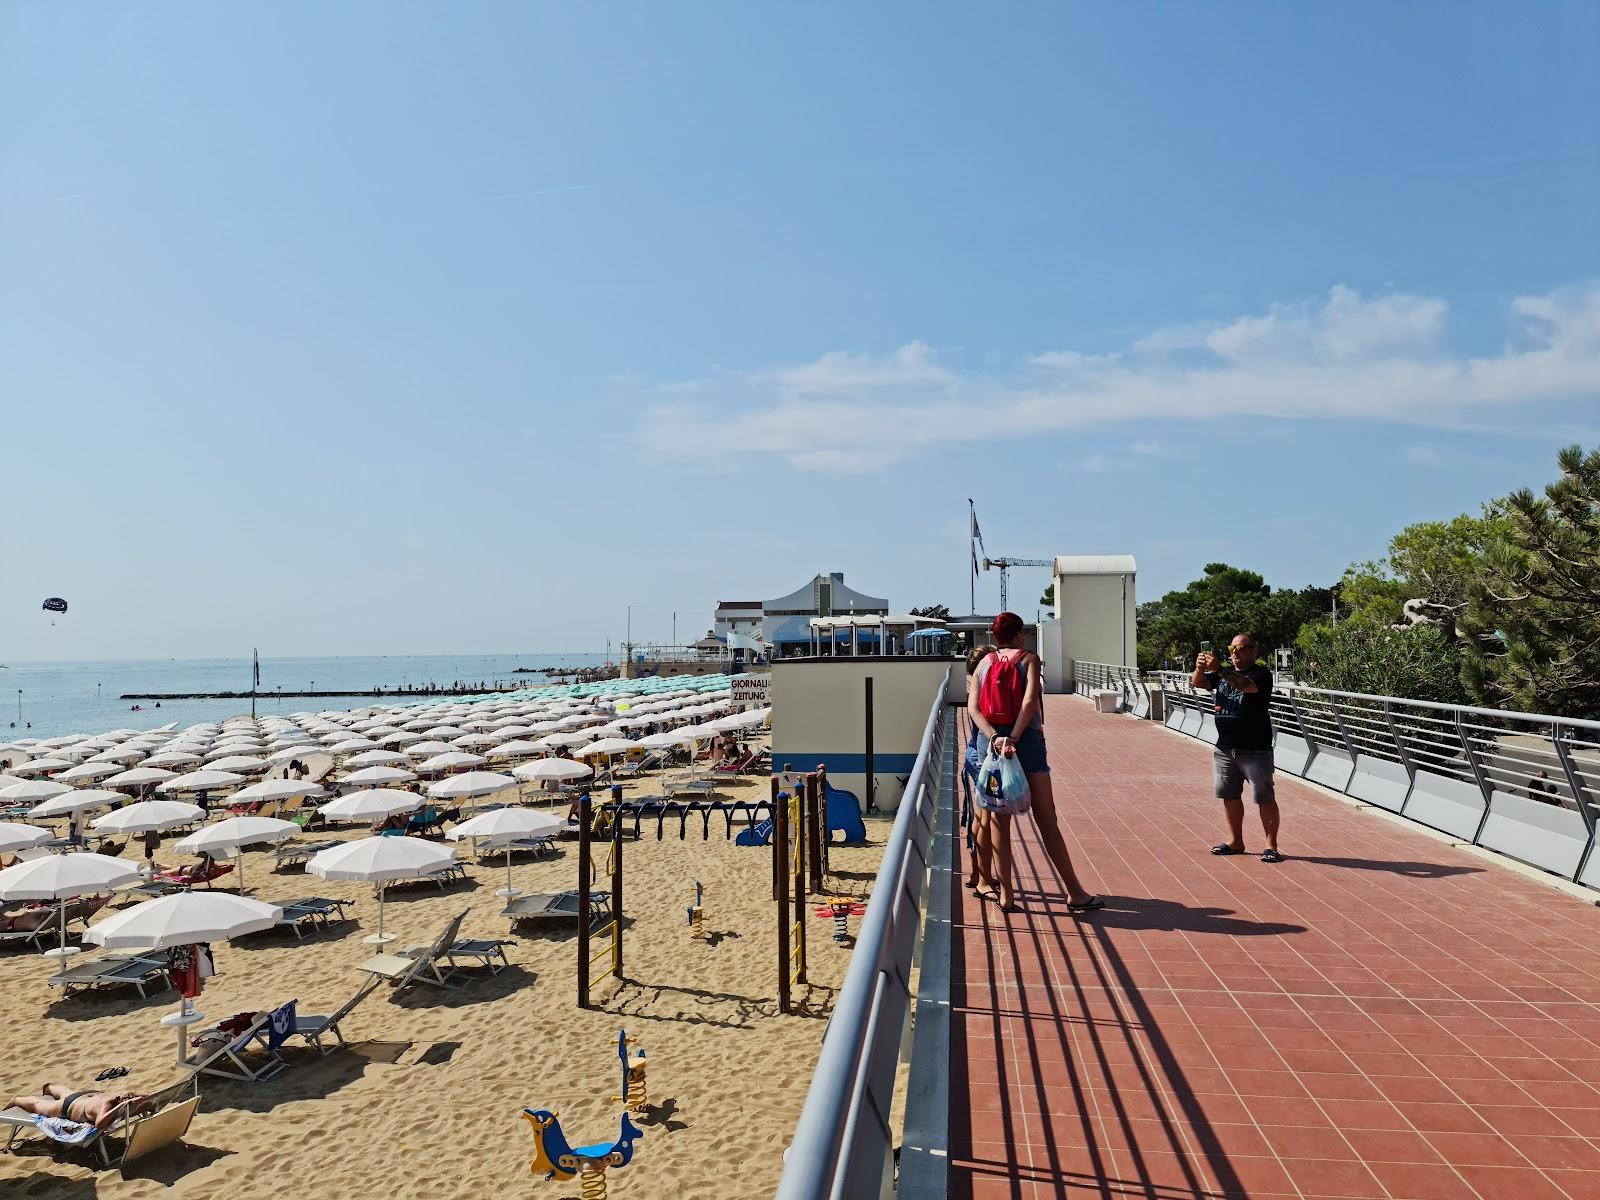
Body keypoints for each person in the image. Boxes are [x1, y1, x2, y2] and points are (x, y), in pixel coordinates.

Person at [967, 612, 1102, 912]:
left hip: (989, 746)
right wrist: (1014, 737)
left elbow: (973, 708)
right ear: (1020, 635)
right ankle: (1074, 892)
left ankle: (1007, 895)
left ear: (995, 637)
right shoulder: (1029, 659)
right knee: (1046, 819)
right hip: (1025, 741)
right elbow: (1029, 702)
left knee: (1000, 821)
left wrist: (994, 738)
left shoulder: (983, 665)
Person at [1195, 634, 1282, 862]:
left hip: (1255, 749)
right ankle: (1236, 841)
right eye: (1232, 647)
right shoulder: (1220, 675)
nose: (1235, 652)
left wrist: (1220, 669)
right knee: (1229, 796)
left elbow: (1247, 686)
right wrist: (1201, 669)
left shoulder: (1260, 674)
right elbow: (1198, 683)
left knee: (1264, 797)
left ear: (1254, 652)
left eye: (1242, 648)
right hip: (1225, 748)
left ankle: (1270, 845)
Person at [962, 644, 1012, 905]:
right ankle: (983, 879)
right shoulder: (985, 688)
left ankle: (977, 874)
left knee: (979, 816)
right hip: (981, 755)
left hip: (973, 753)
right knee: (985, 818)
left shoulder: (973, 686)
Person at [6, 1085, 154, 1131]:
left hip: (84, 1096)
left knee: (66, 1093)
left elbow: (151, 1095)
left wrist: (141, 1097)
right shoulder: (106, 1105)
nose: (129, 1097)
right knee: (38, 1106)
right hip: (68, 1106)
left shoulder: (123, 1094)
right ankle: (16, 1100)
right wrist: (121, 1106)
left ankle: (50, 1087)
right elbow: (100, 1124)